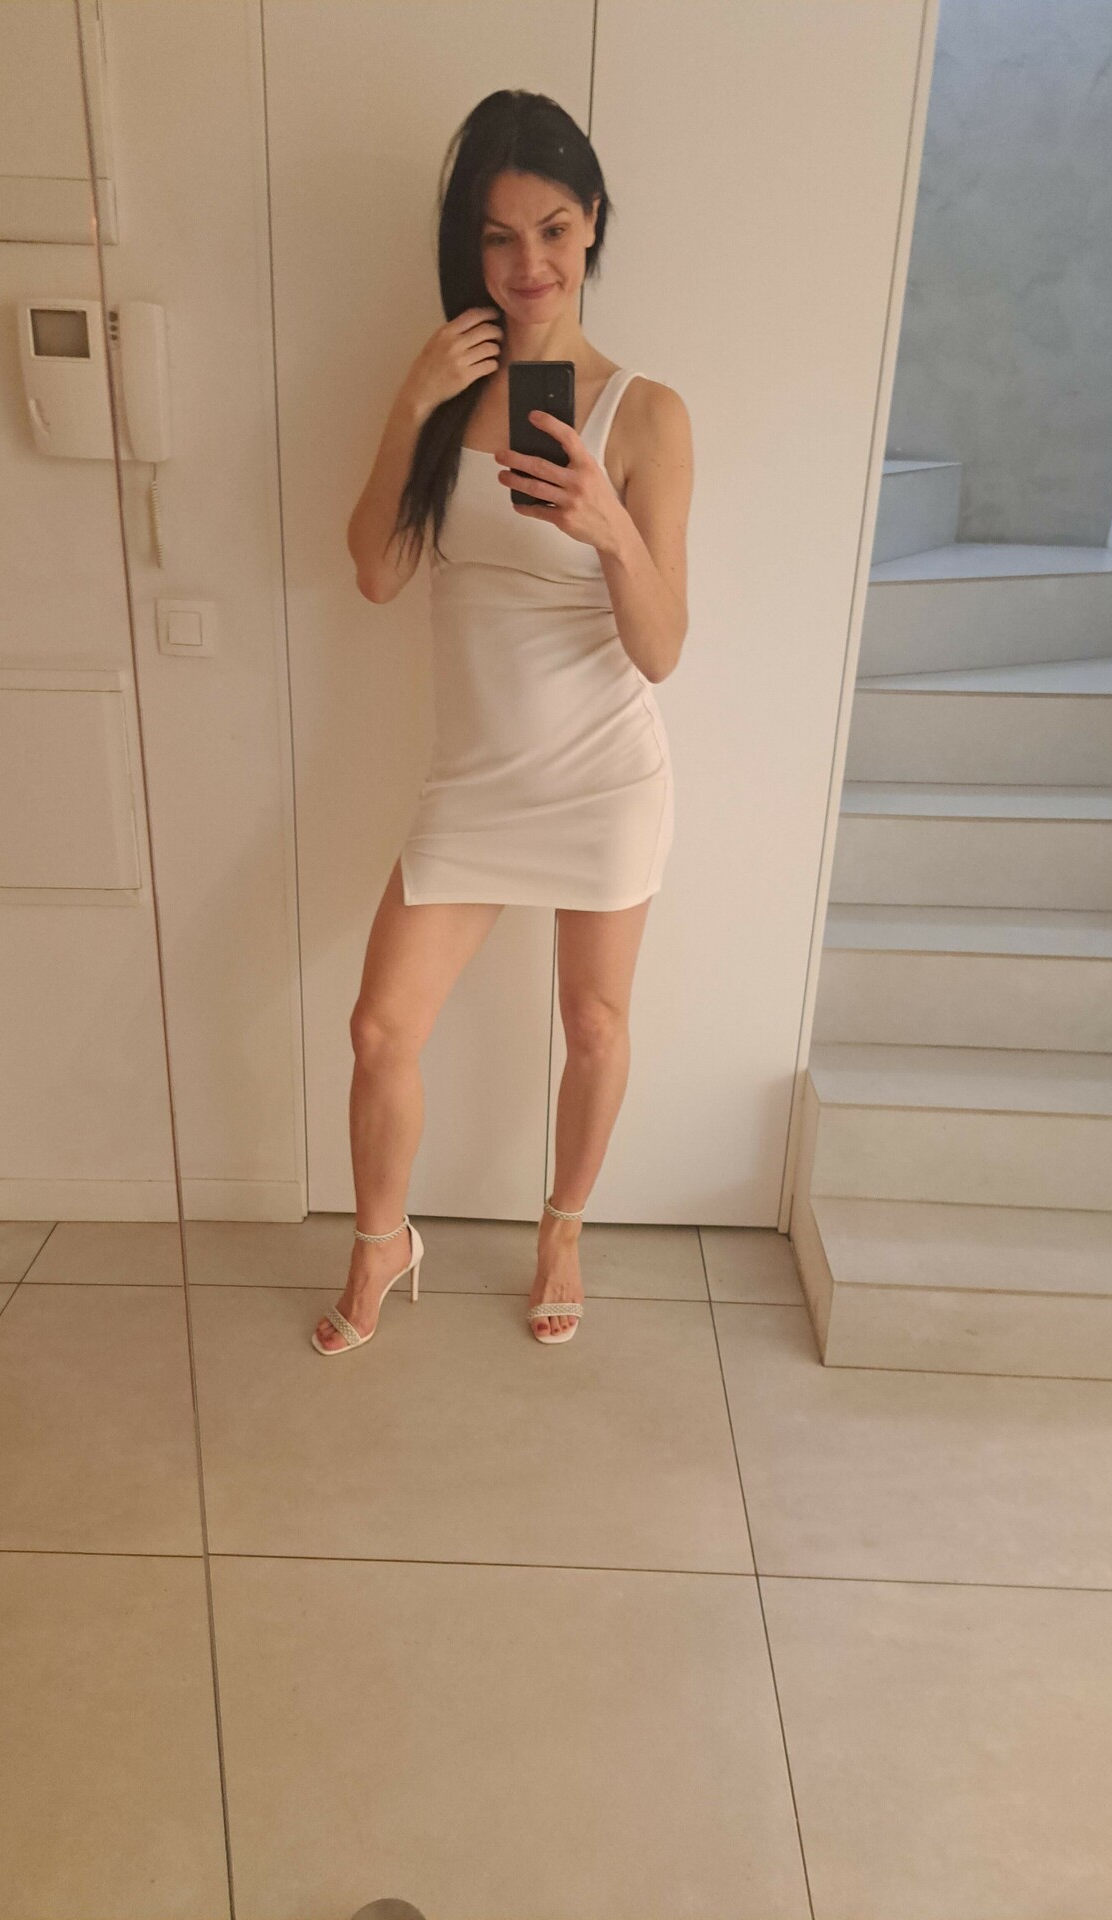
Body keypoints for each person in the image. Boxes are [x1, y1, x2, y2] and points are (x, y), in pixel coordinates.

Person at [313, 88, 692, 1356]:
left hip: (602, 775)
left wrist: (609, 527)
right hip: (475, 783)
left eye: (554, 230)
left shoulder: (645, 414)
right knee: (380, 1029)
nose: (528, 264)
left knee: (594, 1025)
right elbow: (376, 574)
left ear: (594, 226)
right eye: (497, 236)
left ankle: (564, 1227)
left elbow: (662, 649)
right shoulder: (448, 389)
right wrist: (411, 401)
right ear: (467, 248)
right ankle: (382, 1241)